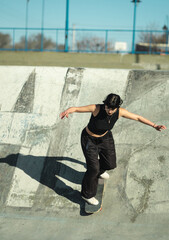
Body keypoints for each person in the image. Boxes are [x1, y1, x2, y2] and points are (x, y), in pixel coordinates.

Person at [60, 93, 166, 205]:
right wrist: (68, 111)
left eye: (112, 109)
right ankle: (87, 194)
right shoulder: (96, 108)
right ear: (104, 104)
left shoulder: (120, 112)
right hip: (89, 140)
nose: (109, 111)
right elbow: (76, 109)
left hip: (105, 138)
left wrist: (154, 126)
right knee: (93, 169)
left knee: (110, 164)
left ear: (117, 107)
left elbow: (137, 117)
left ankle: (99, 170)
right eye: (108, 107)